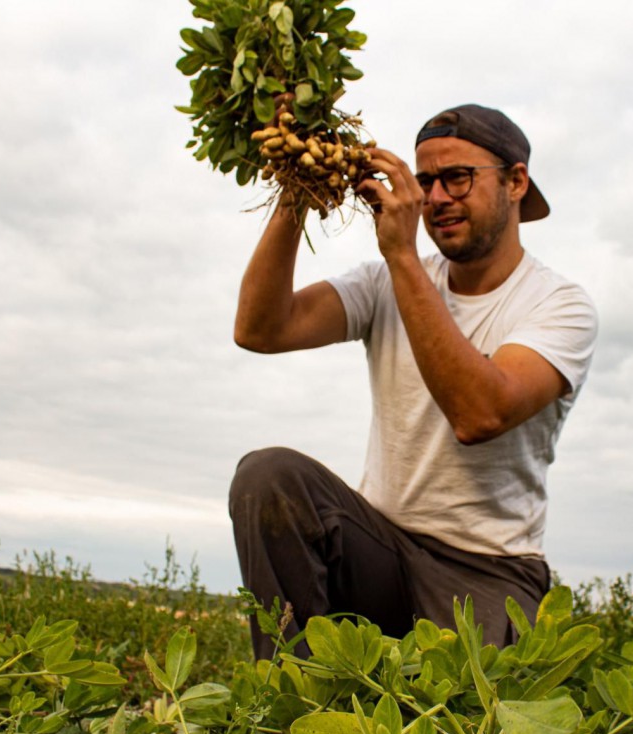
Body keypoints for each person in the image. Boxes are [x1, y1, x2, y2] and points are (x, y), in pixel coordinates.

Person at [229, 104, 598, 659]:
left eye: (458, 178)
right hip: (380, 549)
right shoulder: (384, 282)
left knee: (462, 722)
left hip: (486, 570)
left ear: (516, 181)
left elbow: (479, 414)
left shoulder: (559, 306)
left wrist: (400, 252)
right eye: (425, 182)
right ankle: (291, 706)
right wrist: (296, 188)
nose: (436, 199)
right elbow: (260, 328)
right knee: (269, 476)